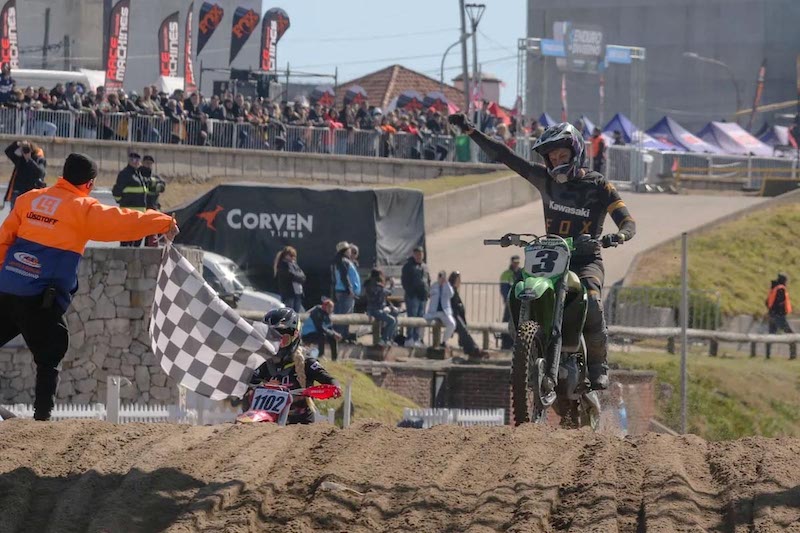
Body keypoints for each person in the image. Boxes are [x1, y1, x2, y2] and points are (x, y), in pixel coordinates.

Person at [449, 113, 636, 390]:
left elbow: (627, 221)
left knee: (594, 302)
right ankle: (529, 342)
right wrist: (470, 130)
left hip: (585, 259)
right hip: (551, 256)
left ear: (575, 152)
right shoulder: (543, 179)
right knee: (521, 287)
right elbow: (505, 155)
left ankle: (598, 366)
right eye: (552, 158)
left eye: (562, 155)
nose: (557, 162)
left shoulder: (598, 185)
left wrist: (617, 236)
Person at [0, 152, 178, 421]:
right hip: (39, 297)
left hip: (7, 287)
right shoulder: (83, 208)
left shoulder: (29, 199)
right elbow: (125, 222)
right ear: (90, 184)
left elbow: (4, 239)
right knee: (52, 349)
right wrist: (164, 221)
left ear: (63, 175)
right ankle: (40, 422)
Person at [250, 308, 341, 425]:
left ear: (295, 336)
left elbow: (328, 379)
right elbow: (248, 381)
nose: (277, 345)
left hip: (300, 428)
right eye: (272, 339)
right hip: (266, 423)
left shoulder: (306, 362)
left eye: (283, 340)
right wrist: (263, 387)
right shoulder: (263, 362)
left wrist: (335, 387)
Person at [112, 152, 150, 247]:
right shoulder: (125, 174)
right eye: (133, 160)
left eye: (137, 160)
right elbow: (117, 191)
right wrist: (123, 203)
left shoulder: (138, 174)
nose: (135, 162)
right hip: (128, 213)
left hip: (140, 214)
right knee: (126, 241)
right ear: (129, 161)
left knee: (137, 241)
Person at [449, 271, 487, 358]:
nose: (459, 282)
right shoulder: (450, 291)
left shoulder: (454, 291)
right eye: (457, 280)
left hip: (457, 317)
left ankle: (472, 349)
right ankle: (474, 349)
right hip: (453, 316)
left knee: (464, 330)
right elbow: (452, 306)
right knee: (464, 330)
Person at [401, 246, 430, 347]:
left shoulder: (425, 267)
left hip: (423, 297)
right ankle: (409, 338)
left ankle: (417, 338)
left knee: (420, 317)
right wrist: (411, 292)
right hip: (413, 296)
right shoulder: (408, 266)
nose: (419, 256)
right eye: (417, 254)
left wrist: (427, 292)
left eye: (421, 254)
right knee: (412, 317)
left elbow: (428, 280)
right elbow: (404, 281)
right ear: (414, 254)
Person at [331, 241, 360, 339]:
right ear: (345, 251)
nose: (350, 251)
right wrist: (350, 290)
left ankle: (340, 335)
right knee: (345, 315)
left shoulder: (339, 261)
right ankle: (342, 336)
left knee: (340, 313)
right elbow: (344, 277)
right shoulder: (344, 261)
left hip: (341, 291)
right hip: (345, 292)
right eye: (348, 250)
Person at [4, 140, 46, 208]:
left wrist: (29, 160)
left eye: (28, 149)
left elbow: (40, 172)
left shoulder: (38, 158)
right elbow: (8, 151)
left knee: (27, 215)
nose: (26, 151)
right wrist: (18, 144)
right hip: (18, 191)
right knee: (15, 214)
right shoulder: (20, 158)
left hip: (31, 191)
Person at [765, 273, 795, 359]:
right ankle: (793, 355)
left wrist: (771, 312)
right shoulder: (781, 289)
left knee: (771, 335)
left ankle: (767, 355)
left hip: (772, 315)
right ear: (783, 280)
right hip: (779, 317)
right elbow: (780, 303)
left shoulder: (774, 288)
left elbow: (767, 302)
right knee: (791, 335)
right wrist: (781, 313)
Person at [364, 268, 397, 346]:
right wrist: (392, 284)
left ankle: (388, 339)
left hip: (372, 309)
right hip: (376, 310)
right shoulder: (378, 286)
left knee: (394, 313)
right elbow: (389, 292)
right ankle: (384, 339)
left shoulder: (368, 284)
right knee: (392, 320)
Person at [425, 270, 456, 348]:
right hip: (433, 312)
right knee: (421, 321)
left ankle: (444, 341)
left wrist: (446, 283)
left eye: (442, 276)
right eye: (439, 276)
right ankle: (420, 339)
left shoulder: (447, 286)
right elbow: (429, 294)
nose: (440, 278)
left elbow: (451, 294)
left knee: (452, 324)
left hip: (444, 312)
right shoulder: (434, 285)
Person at [499, 255, 524, 350]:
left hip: (521, 302)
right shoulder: (506, 274)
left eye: (518, 262)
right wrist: (507, 300)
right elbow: (504, 289)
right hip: (510, 302)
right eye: (515, 262)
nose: (516, 264)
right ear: (511, 262)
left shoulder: (522, 273)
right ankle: (505, 344)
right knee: (507, 322)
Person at [274, 245, 306, 312]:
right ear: (286, 255)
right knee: (289, 313)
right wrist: (299, 277)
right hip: (289, 294)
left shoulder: (295, 265)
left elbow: (303, 276)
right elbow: (291, 275)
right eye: (291, 256)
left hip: (298, 293)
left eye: (294, 256)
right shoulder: (283, 265)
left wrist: (298, 277)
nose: (293, 258)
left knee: (296, 314)